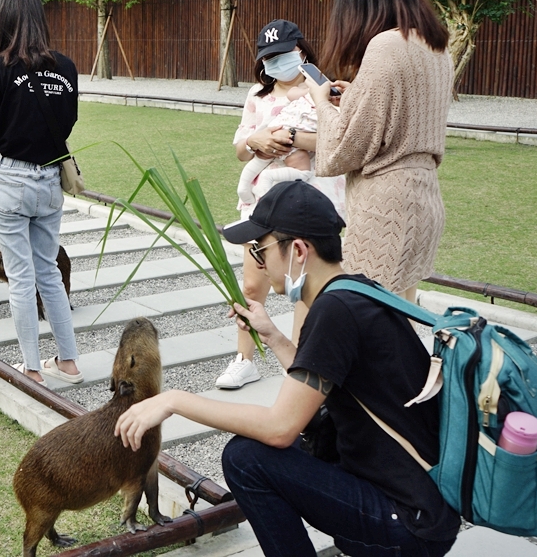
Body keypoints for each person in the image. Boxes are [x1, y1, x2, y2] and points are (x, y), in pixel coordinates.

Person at [114, 181, 459, 557]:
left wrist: (175, 400)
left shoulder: (333, 312)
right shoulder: (355, 292)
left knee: (245, 459)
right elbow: (319, 391)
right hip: (426, 510)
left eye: (260, 252)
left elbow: (280, 427)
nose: (259, 266)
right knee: (276, 447)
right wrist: (275, 336)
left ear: (297, 250)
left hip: (407, 524)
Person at [308, 0, 453, 303]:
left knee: (370, 320)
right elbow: (401, 112)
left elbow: (342, 151)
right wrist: (355, 93)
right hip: (425, 197)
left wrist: (321, 103)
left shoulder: (385, 46)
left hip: (387, 205)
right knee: (402, 316)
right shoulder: (436, 45)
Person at [217, 19, 346, 391]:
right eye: (268, 57)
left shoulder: (326, 89)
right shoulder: (258, 95)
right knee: (252, 284)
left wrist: (293, 138)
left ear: (301, 51)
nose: (275, 63)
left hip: (314, 200)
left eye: (282, 54)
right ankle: (245, 359)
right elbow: (241, 150)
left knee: (309, 287)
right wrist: (258, 139)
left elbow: (340, 143)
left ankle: (303, 363)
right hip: (264, 204)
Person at [0, 0, 83, 386]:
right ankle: (68, 363)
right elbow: (66, 124)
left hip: (11, 179)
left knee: (20, 276)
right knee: (48, 271)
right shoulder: (66, 67)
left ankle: (32, 368)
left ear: (1, 20)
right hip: (49, 180)